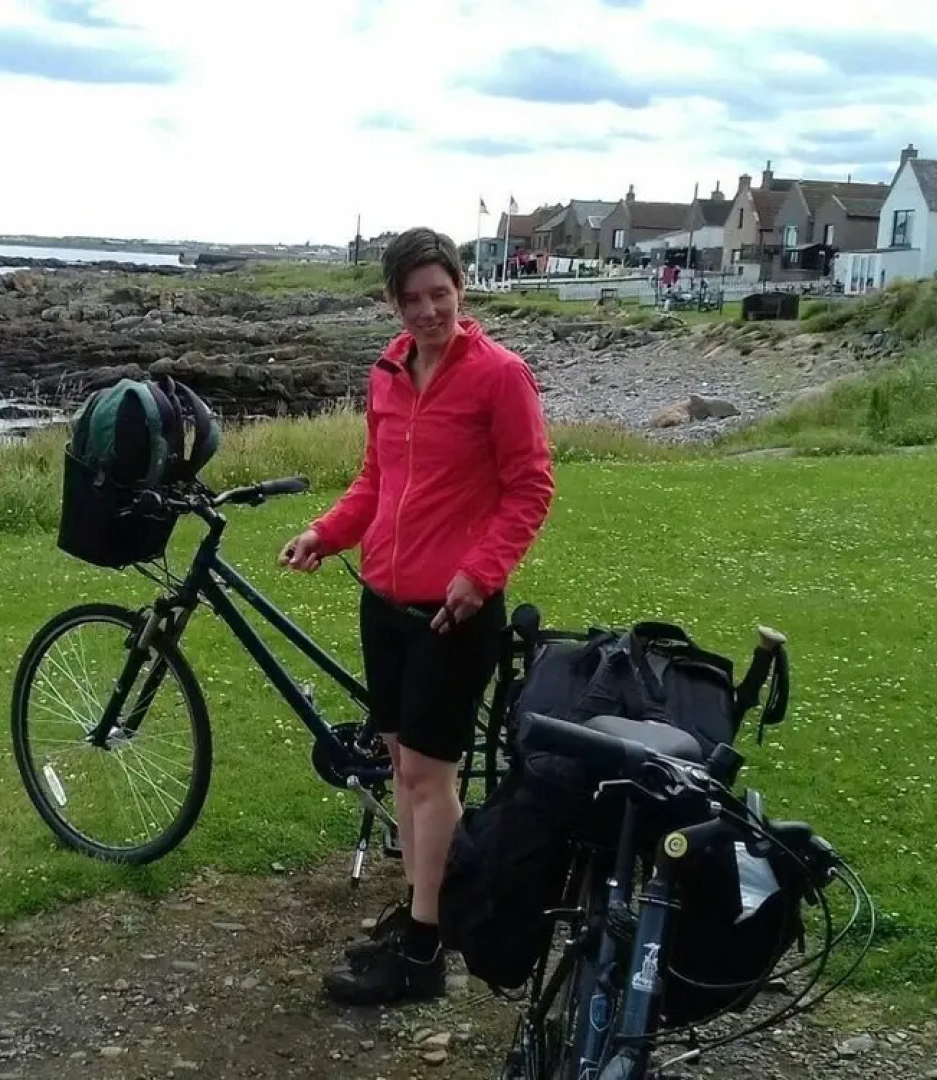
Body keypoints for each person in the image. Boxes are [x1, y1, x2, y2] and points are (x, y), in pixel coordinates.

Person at [278, 227, 555, 1006]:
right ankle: (421, 906)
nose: (430, 309)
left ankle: (426, 950)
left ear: (461, 290)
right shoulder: (388, 373)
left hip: (453, 612)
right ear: (393, 303)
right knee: (403, 765)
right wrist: (326, 534)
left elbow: (529, 487)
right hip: (385, 604)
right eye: (414, 298)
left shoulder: (501, 377)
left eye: (442, 293)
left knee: (431, 775)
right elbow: (375, 481)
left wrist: (479, 573)